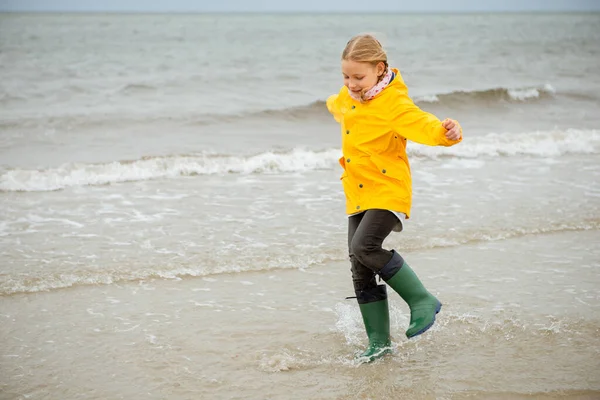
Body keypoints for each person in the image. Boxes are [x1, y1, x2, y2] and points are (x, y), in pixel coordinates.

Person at [326, 34, 463, 362]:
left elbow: (421, 123)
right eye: (346, 76)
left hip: (388, 191)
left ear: (380, 69)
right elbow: (339, 106)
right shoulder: (348, 98)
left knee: (365, 247)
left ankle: (422, 300)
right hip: (357, 191)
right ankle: (379, 343)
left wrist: (445, 133)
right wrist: (337, 101)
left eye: (359, 77)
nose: (352, 84)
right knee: (358, 265)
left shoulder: (393, 103)